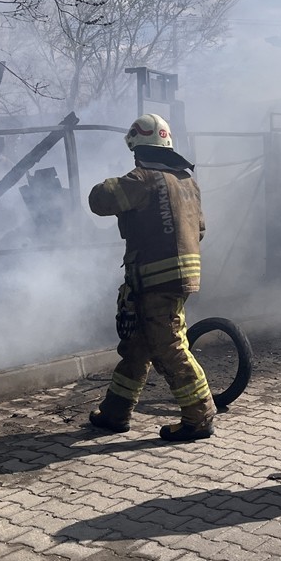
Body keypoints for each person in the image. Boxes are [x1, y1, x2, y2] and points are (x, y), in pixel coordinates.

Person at [87, 113, 216, 442]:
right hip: (178, 276)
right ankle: (116, 412)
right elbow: (199, 229)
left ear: (139, 149)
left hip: (156, 278)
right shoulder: (187, 181)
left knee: (169, 346)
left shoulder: (144, 178)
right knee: (138, 345)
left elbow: (99, 200)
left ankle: (200, 417)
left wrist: (117, 182)